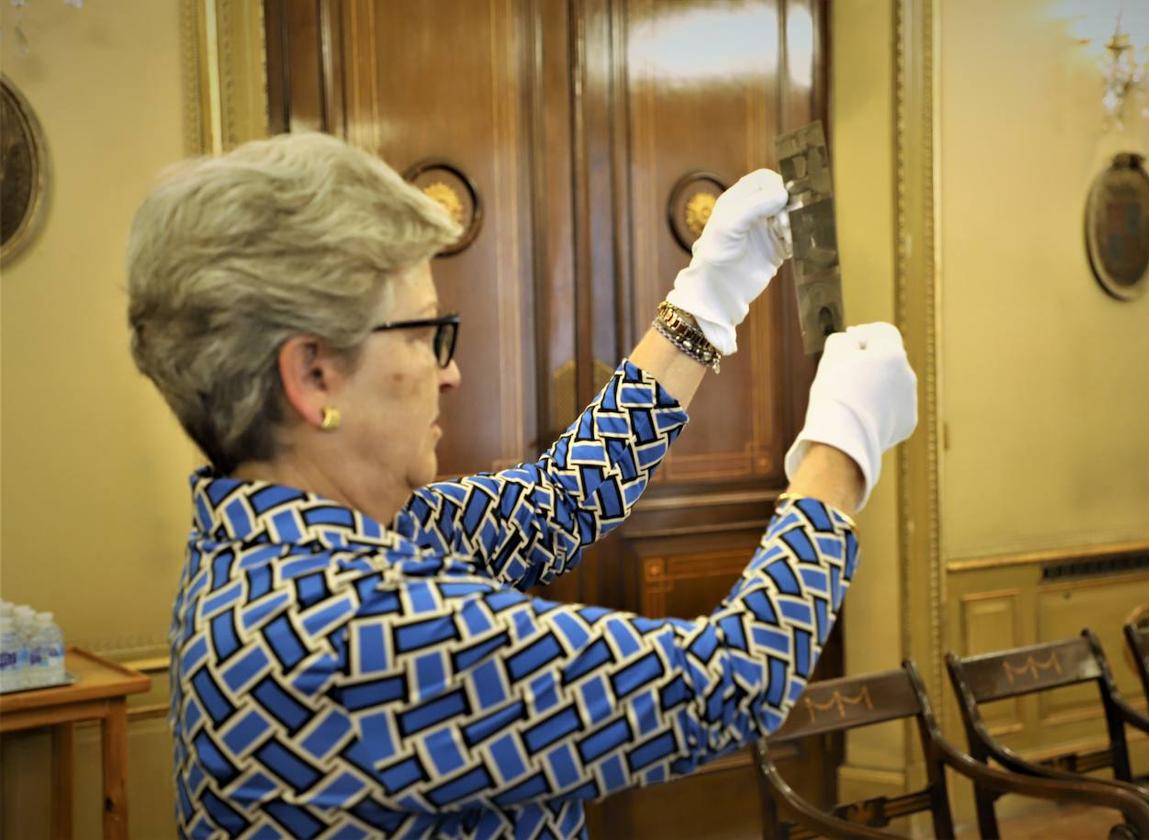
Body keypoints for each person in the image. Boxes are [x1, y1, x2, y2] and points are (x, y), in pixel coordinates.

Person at [127, 132, 917, 839]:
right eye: (427, 333)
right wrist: (838, 452)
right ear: (313, 372)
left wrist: (702, 306)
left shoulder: (300, 536)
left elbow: (557, 502)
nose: (452, 372)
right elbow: (731, 683)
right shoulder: (343, 628)